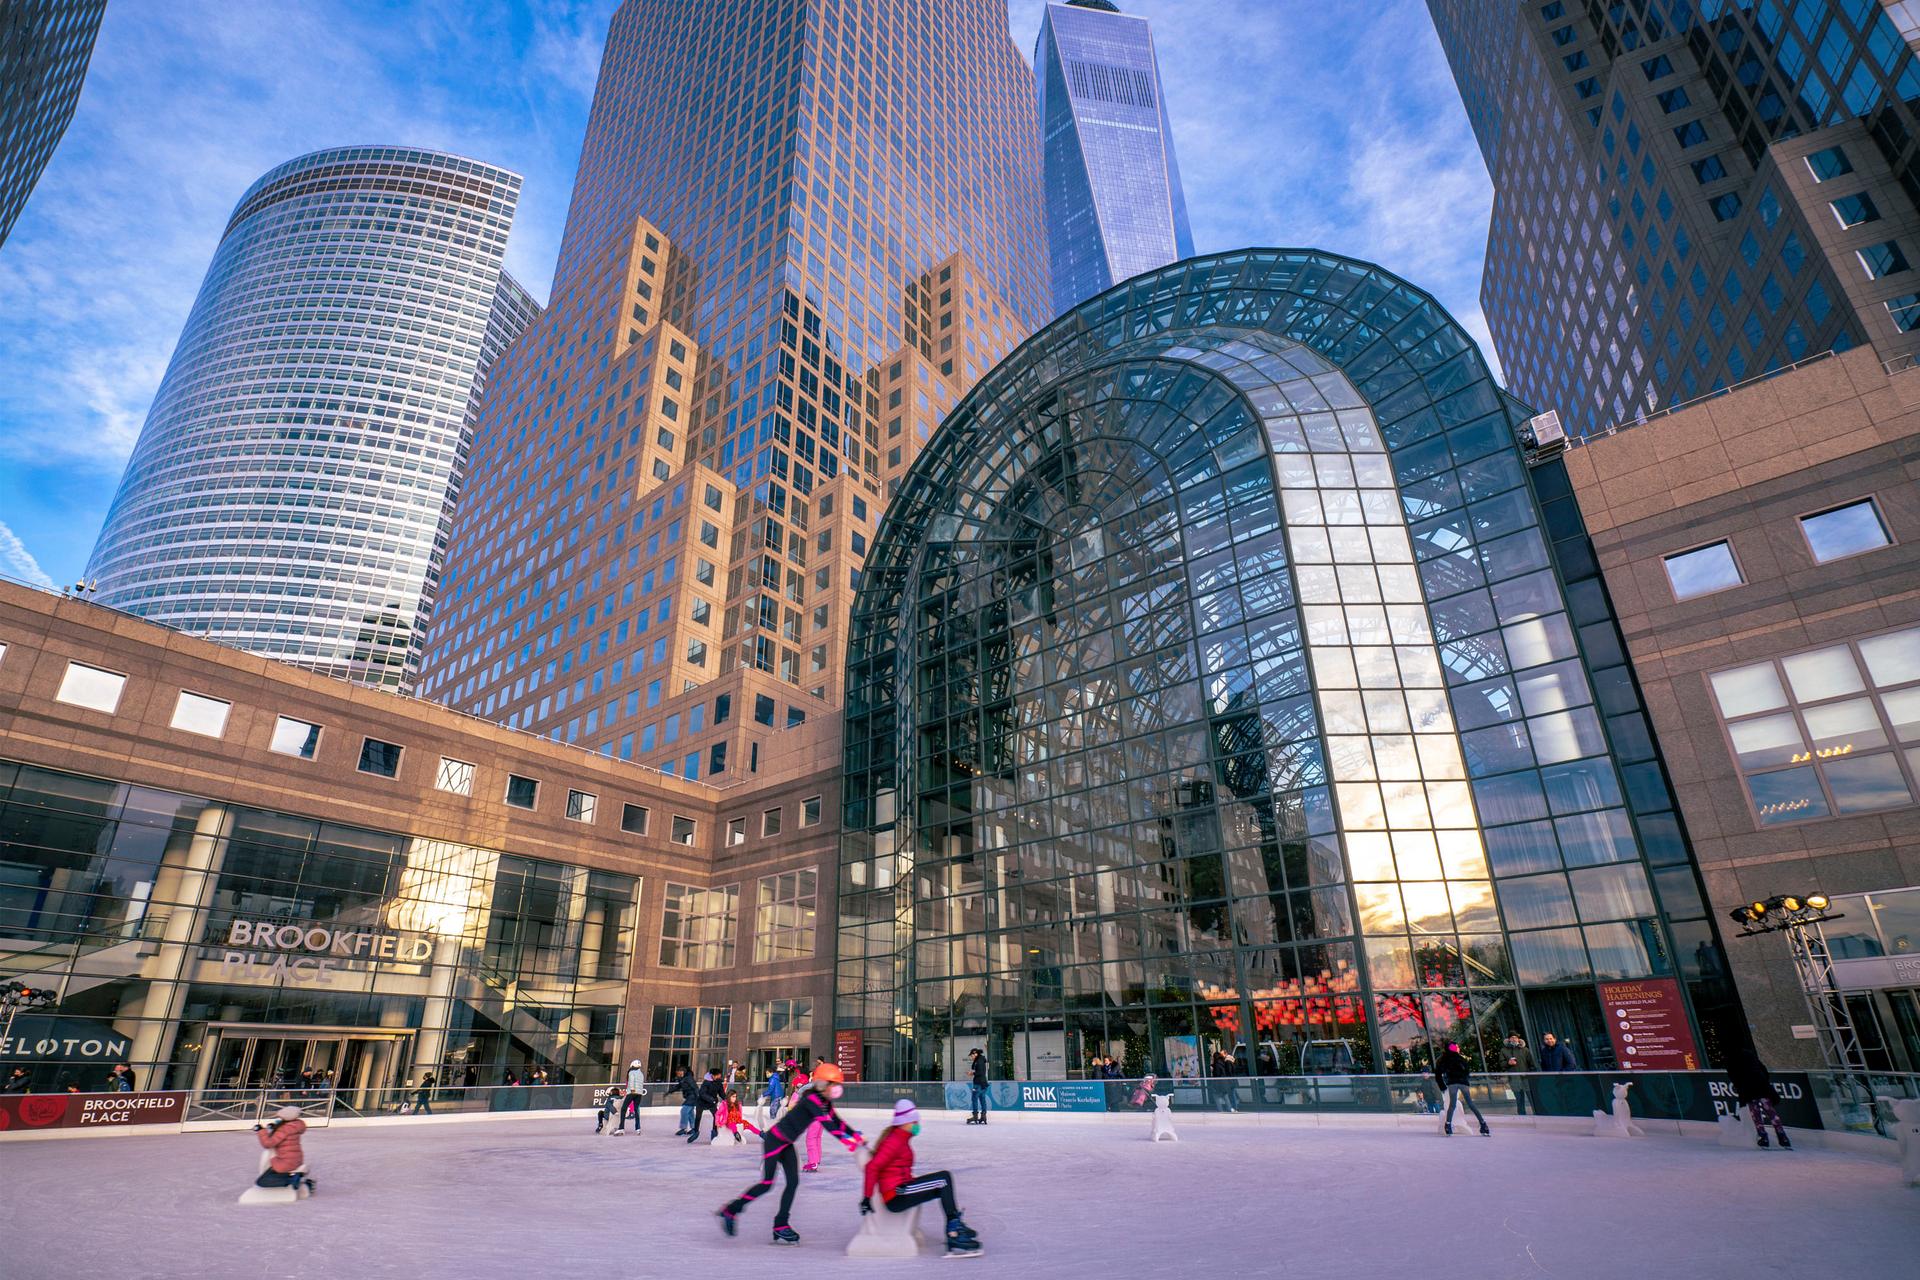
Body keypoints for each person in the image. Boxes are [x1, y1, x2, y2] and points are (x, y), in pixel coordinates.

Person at [717, 1062, 865, 1246]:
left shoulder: (824, 1101)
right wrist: (848, 1142)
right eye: (834, 1084)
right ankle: (731, 1210)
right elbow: (828, 1125)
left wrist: (855, 1136)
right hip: (775, 1141)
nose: (837, 1089)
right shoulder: (812, 1100)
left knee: (793, 1182)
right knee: (767, 1184)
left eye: (837, 1085)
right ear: (823, 1084)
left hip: (786, 1143)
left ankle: (780, 1225)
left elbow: (838, 1122)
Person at [862, 1099, 982, 1257]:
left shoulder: (900, 1137)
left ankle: (955, 1227)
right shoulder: (894, 1141)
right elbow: (872, 1167)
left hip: (903, 1188)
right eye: (913, 1120)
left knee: (942, 1183)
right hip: (897, 1195)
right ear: (904, 1122)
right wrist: (867, 1198)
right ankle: (954, 1231)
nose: (917, 1123)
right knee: (943, 1179)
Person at [1727, 1052, 1792, 1150]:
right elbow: (1764, 1070)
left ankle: (1763, 1137)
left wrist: (1739, 1087)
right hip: (1762, 1088)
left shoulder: (1734, 1061)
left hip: (1750, 1090)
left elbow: (1734, 1076)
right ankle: (1782, 1136)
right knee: (1771, 1112)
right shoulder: (1752, 1059)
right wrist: (1763, 1080)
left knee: (1756, 1114)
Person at [1433, 1042, 1490, 1136]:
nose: (1458, 1048)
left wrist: (1442, 1085)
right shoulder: (1461, 1059)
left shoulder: (1444, 1059)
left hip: (1452, 1083)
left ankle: (1448, 1125)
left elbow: (1438, 1073)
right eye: (1457, 1047)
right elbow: (1467, 1071)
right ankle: (1483, 1124)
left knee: (1452, 1104)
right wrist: (1465, 1079)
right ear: (1454, 1048)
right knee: (1470, 1103)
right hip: (1463, 1083)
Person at [253, 1104, 313, 1192]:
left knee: (262, 1181)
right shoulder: (295, 1125)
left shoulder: (285, 1129)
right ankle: (298, 1178)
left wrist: (261, 1131)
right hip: (296, 1159)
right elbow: (283, 1133)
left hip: (286, 1162)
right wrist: (274, 1127)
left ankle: (292, 1180)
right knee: (273, 1172)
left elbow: (268, 1143)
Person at [1500, 1031, 1535, 1115]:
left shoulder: (1525, 1050)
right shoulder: (1504, 1050)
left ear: (1519, 1039)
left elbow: (1532, 1064)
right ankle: (1522, 1117)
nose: (1514, 1039)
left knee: (1533, 1099)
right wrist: (1508, 1063)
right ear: (1508, 1039)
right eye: (1512, 1037)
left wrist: (1531, 1076)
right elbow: (1501, 1064)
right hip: (1514, 1079)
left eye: (1515, 1037)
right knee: (1519, 1100)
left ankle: (1538, 1114)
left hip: (1526, 1078)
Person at [689, 1069, 724, 1144]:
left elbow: (722, 1093)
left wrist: (727, 1099)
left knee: (716, 1116)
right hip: (701, 1102)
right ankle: (696, 1131)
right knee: (698, 1117)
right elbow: (702, 1093)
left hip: (711, 1103)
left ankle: (714, 1132)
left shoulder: (719, 1083)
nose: (719, 1076)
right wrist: (711, 1099)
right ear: (713, 1075)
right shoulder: (706, 1082)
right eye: (718, 1075)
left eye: (720, 1075)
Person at [619, 1059, 647, 1133]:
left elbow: (631, 1081)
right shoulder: (641, 1074)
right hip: (639, 1094)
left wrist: (631, 1090)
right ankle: (638, 1128)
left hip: (632, 1092)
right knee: (637, 1110)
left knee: (623, 1109)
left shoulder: (631, 1072)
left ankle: (621, 1128)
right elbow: (641, 1084)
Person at [673, 1068, 699, 1135]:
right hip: (689, 1097)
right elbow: (678, 1086)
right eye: (677, 1073)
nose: (677, 1074)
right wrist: (669, 1091)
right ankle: (694, 1128)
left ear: (682, 1072)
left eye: (678, 1073)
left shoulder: (688, 1078)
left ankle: (683, 1128)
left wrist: (698, 1097)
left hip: (692, 1097)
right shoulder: (683, 1079)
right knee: (690, 1113)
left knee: (684, 1111)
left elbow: (695, 1087)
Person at [967, 1047, 989, 1125]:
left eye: (972, 1055)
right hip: (984, 1083)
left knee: (974, 1099)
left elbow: (980, 1072)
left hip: (978, 1083)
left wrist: (972, 1073)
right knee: (982, 1099)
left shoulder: (978, 1061)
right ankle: (983, 1116)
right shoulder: (981, 1060)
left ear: (975, 1054)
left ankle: (975, 1116)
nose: (971, 1057)